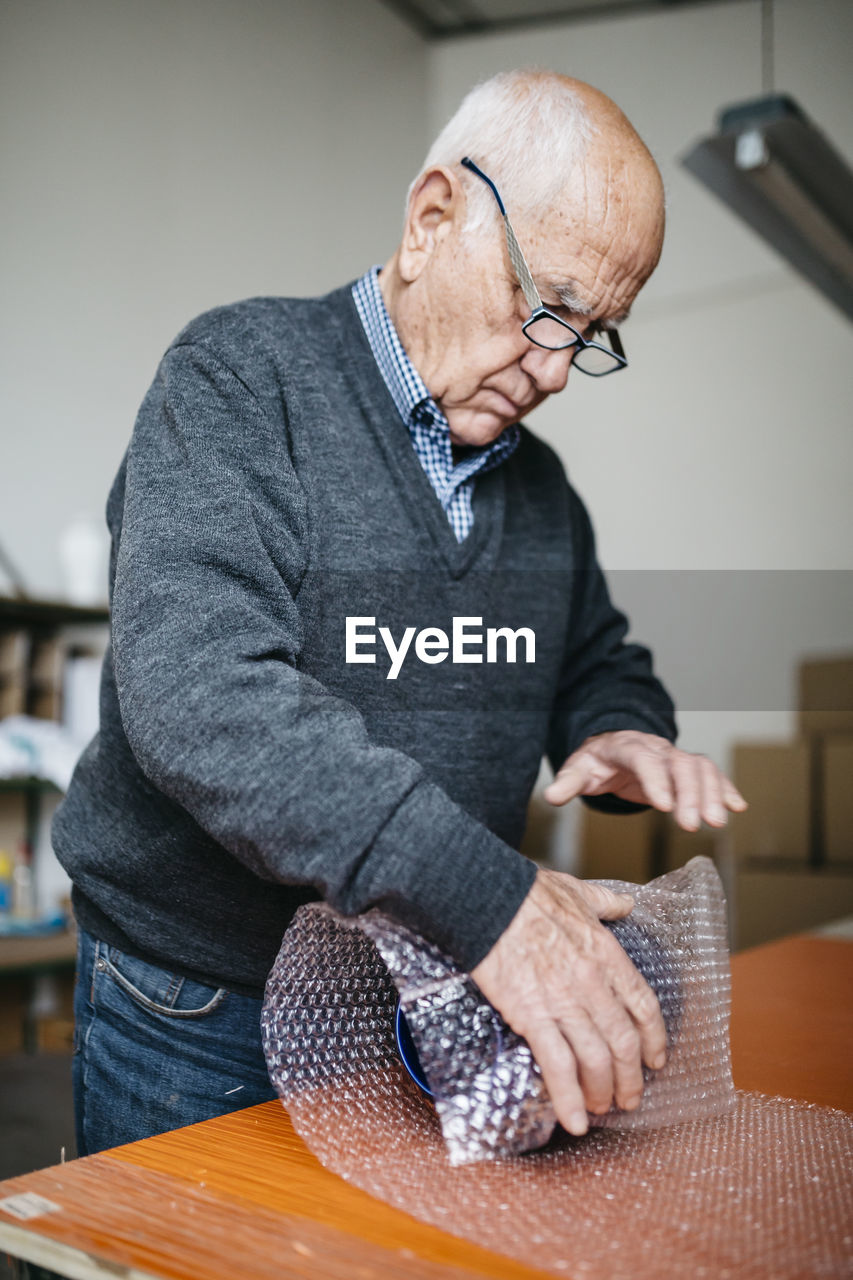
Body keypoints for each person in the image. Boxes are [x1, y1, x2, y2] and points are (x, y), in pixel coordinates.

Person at [54, 69, 746, 1157]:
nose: (559, 368)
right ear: (433, 217)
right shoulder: (240, 379)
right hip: (197, 1006)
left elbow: (594, 656)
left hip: (425, 997)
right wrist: (491, 900)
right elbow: (202, 696)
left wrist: (619, 722)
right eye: (548, 306)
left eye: (594, 332)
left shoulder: (542, 493)